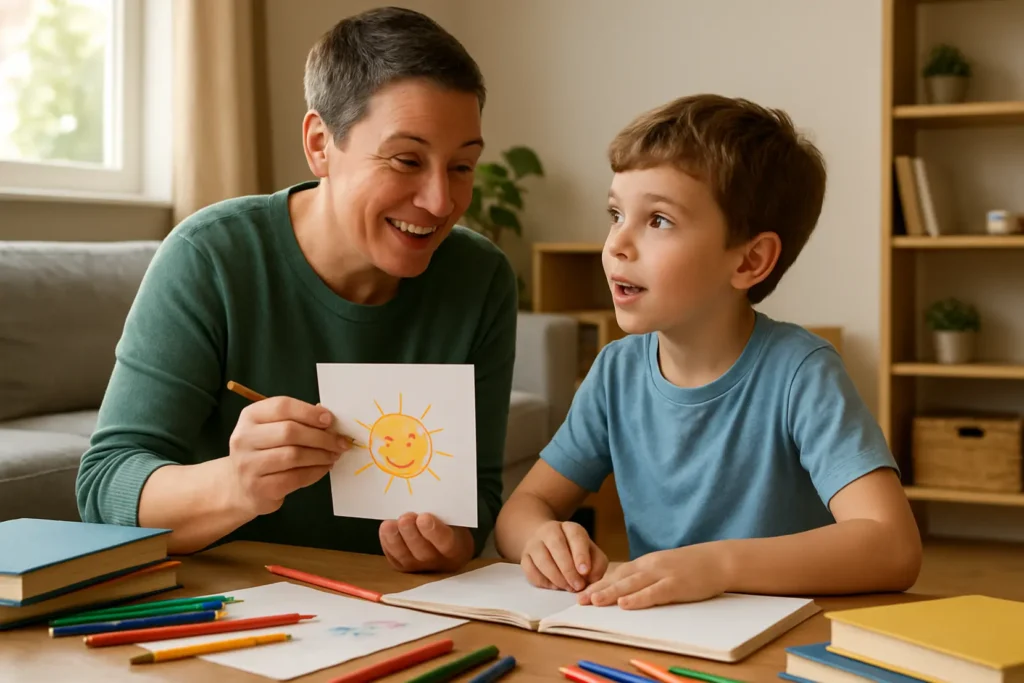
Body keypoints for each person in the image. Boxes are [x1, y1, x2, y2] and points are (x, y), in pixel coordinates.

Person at [76, 7, 517, 574]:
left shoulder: (481, 280)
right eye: (407, 160)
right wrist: (236, 485)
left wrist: (452, 540)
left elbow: (476, 502)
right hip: (230, 607)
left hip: (396, 610)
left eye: (462, 167)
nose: (439, 202)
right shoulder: (211, 256)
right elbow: (103, 487)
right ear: (319, 144)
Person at [493, 94, 923, 609]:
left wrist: (717, 566)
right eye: (615, 213)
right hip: (660, 638)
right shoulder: (615, 372)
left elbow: (893, 545)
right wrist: (541, 539)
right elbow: (524, 507)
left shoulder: (801, 373)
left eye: (658, 220)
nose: (616, 245)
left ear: (750, 261)